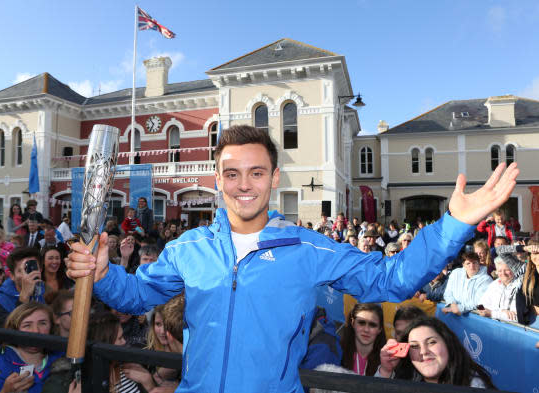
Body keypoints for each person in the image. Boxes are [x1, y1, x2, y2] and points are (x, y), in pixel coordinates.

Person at [65, 125, 519, 393]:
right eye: (232, 173)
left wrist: (453, 224)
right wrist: (103, 274)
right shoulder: (188, 246)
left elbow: (393, 278)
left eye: (256, 173)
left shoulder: (308, 249)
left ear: (274, 177)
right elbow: (139, 293)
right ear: (218, 179)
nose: (244, 185)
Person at [0, 302, 61, 393]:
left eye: (42, 323)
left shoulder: (66, 363)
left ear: (51, 327)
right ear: (14, 331)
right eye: (27, 325)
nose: (36, 331)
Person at [377, 317, 495, 388]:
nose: (423, 351)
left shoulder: (473, 385)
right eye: (414, 346)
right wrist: (385, 371)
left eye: (431, 342)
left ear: (448, 344)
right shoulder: (406, 379)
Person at [43, 310, 142, 393]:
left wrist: (148, 383)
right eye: (120, 338)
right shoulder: (67, 382)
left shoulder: (126, 369)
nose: (124, 341)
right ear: (105, 345)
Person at [0, 247, 45, 326]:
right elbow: (11, 331)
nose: (27, 275)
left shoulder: (44, 294)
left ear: (40, 270)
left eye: (31, 269)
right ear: (12, 275)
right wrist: (24, 298)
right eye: (21, 270)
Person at [339, 303, 386, 376]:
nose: (366, 330)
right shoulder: (338, 352)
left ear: (380, 329)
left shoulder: (386, 358)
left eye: (372, 325)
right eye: (361, 323)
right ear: (353, 323)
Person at [479, 253, 526, 322]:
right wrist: (501, 311)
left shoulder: (520, 286)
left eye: (506, 270)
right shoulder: (494, 284)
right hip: (493, 327)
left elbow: (517, 317)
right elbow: (480, 306)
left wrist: (491, 313)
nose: (503, 273)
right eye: (500, 271)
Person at [516, 239, 539, 325]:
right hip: (532, 321)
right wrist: (524, 248)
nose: (537, 256)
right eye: (534, 253)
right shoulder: (528, 275)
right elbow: (500, 250)